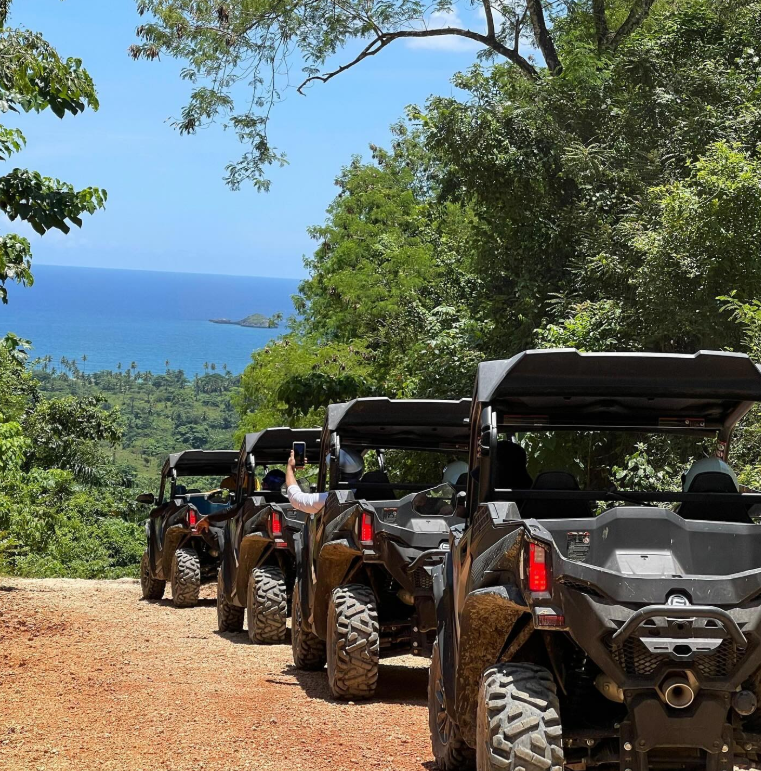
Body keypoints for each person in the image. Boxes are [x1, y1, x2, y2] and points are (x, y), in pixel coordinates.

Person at [285, 447, 364, 514]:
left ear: (336, 474)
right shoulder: (372, 492)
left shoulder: (330, 499)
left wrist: (290, 469)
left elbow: (296, 499)